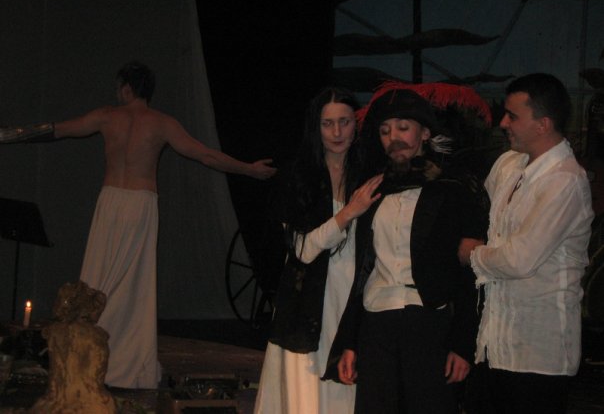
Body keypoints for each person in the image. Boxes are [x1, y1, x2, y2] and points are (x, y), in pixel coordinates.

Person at [1, 61, 276, 389]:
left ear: (127, 88)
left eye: (119, 87)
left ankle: (95, 358)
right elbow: (207, 155)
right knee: (129, 284)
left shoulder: (107, 116)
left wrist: (7, 135)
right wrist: (248, 169)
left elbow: (56, 129)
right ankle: (115, 359)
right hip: (139, 203)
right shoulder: (161, 123)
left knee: (100, 278)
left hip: (111, 202)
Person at [328, 84, 489, 414]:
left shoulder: (452, 190)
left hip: (428, 320)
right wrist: (350, 342)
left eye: (403, 128)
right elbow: (362, 269)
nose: (394, 138)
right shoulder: (372, 192)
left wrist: (462, 343)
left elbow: (469, 274)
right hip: (377, 319)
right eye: (385, 131)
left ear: (425, 133)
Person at [458, 73, 594, 414]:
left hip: (539, 353)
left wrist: (471, 253)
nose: (503, 123)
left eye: (512, 116)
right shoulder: (509, 164)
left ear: (543, 124)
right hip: (493, 343)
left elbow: (519, 260)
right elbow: (478, 218)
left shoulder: (565, 180)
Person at [254, 87, 383, 414]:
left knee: (348, 393)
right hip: (308, 301)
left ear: (356, 125)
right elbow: (303, 249)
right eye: (328, 124)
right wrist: (348, 212)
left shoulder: (369, 174)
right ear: (316, 127)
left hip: (354, 297)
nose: (337, 132)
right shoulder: (298, 176)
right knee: (306, 394)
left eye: (344, 122)